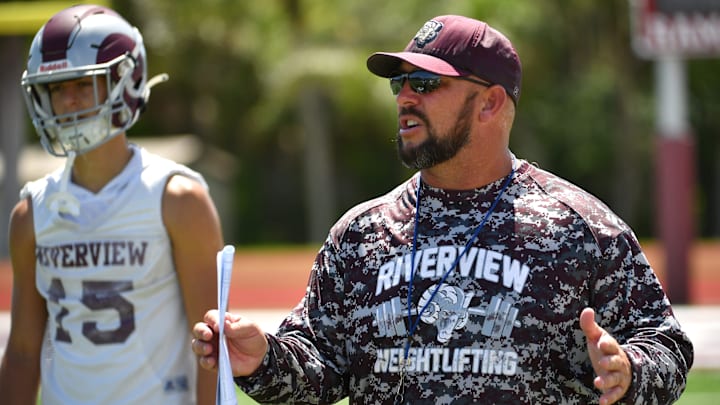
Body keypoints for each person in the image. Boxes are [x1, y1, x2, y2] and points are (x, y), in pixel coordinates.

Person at [191, 15, 693, 404]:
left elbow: (666, 347)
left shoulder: (580, 228)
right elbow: (320, 369)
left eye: (427, 83)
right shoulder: (361, 234)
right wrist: (261, 360)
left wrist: (630, 371)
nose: (405, 96)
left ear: (490, 103)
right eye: (400, 82)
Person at [0, 4, 223, 404]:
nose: (68, 101)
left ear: (125, 81)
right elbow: (22, 351)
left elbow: (211, 347)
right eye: (56, 88)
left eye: (82, 84)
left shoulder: (176, 200)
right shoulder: (32, 213)